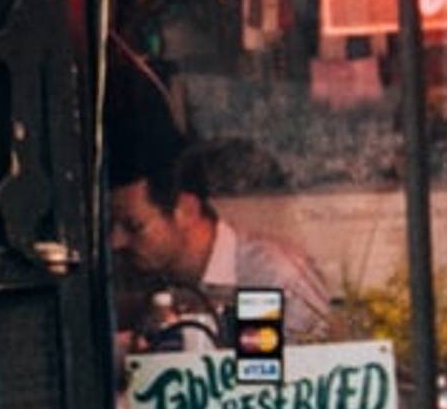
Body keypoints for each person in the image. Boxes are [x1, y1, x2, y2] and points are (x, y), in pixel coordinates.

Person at [106, 142, 336, 346]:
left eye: (134, 226)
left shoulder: (268, 276)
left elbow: (270, 378)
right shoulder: (147, 280)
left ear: (186, 210)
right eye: (111, 227)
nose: (116, 242)